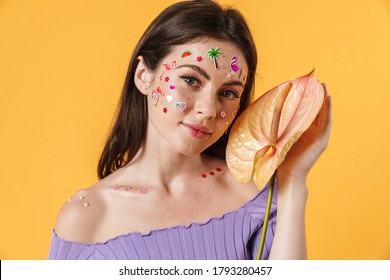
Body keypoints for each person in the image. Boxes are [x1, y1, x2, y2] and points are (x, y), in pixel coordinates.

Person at [49, 0, 331, 260]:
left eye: (229, 93)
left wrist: (293, 181)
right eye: (190, 79)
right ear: (144, 76)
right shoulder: (87, 215)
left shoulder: (253, 194)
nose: (208, 109)